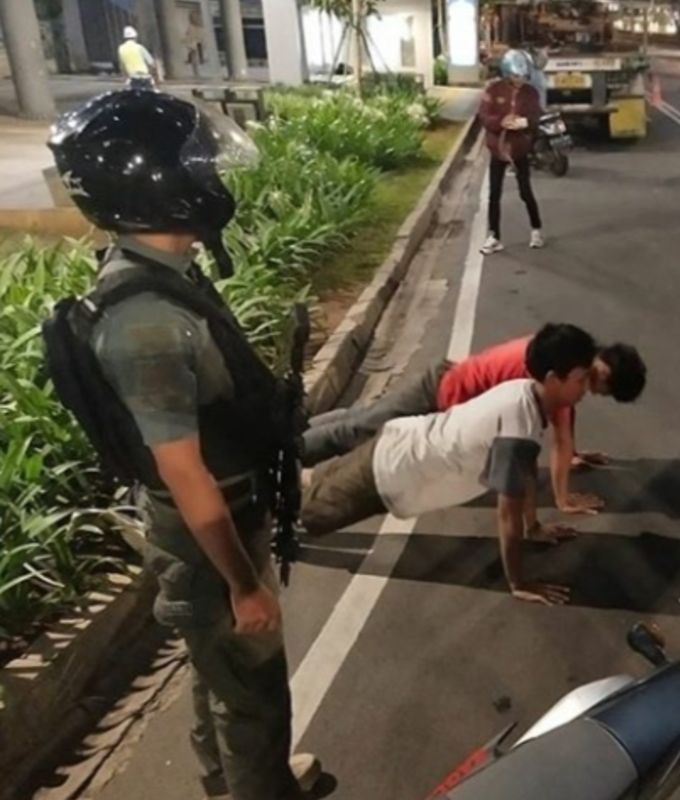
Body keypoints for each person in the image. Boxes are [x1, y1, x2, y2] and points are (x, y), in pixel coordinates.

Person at [45, 90, 319, 799]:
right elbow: (184, 472)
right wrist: (243, 584)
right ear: (155, 182)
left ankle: (231, 783)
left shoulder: (165, 278)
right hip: (210, 531)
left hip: (228, 510)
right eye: (196, 161)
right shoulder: (146, 326)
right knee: (252, 691)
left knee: (220, 675)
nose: (210, 172)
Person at [300, 324, 598, 605]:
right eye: (580, 379)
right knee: (309, 517)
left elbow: (526, 474)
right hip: (389, 472)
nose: (586, 388)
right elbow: (508, 514)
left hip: (399, 451)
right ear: (551, 378)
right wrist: (518, 584)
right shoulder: (519, 426)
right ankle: (261, 520)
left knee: (309, 487)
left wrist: (533, 526)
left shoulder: (525, 392)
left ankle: (280, 481)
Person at [300, 333, 647, 514]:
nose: (593, 393)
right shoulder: (565, 371)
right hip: (441, 392)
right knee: (358, 433)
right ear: (603, 371)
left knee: (359, 420)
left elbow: (564, 432)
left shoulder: (570, 352)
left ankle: (294, 430)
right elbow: (560, 439)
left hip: (448, 381)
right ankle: (287, 451)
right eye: (602, 387)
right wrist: (563, 499)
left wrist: (574, 454)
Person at [479, 49, 544, 255]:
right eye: (516, 76)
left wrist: (525, 122)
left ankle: (536, 230)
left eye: (523, 76)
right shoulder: (493, 90)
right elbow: (484, 117)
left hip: (520, 148)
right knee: (494, 194)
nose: (520, 80)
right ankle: (494, 236)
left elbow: (536, 116)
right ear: (507, 73)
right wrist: (501, 122)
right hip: (498, 148)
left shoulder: (531, 92)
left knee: (526, 192)